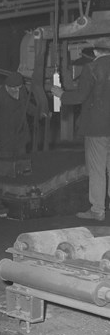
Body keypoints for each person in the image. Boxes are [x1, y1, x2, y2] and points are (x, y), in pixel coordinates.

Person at [51, 47, 110, 221]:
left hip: (96, 128)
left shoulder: (91, 68)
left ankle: (98, 210)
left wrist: (61, 94)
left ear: (96, 51)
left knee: (97, 169)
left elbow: (80, 96)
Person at [0, 71, 31, 158]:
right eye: (15, 88)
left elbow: (27, 106)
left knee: (22, 165)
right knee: (5, 167)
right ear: (7, 86)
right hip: (5, 140)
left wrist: (40, 112)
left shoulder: (22, 90)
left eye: (19, 87)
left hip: (20, 137)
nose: (17, 90)